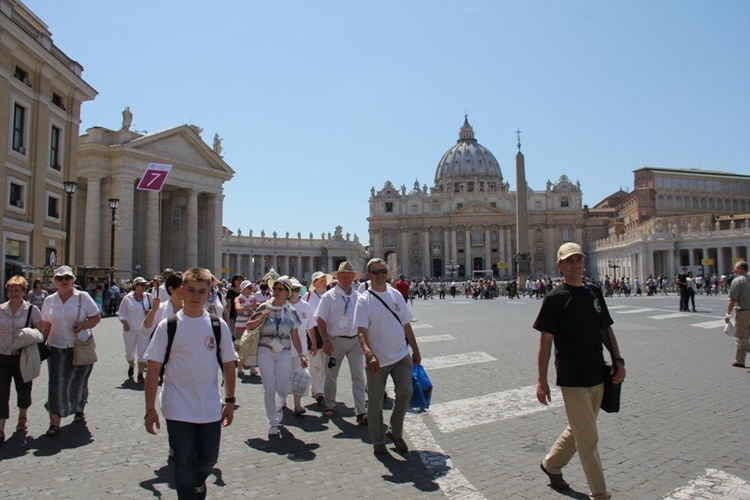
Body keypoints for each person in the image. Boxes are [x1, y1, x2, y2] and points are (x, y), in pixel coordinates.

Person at [534, 243, 626, 499]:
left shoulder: (594, 291)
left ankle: (551, 465)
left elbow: (605, 329)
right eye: (569, 260)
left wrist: (618, 360)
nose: (575, 263)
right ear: (560, 265)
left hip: (598, 373)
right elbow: (545, 342)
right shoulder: (555, 298)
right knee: (589, 440)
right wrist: (542, 381)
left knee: (580, 429)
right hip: (572, 377)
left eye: (578, 259)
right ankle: (600, 494)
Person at [144, 267, 236, 499]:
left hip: (209, 403)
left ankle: (198, 481)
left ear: (208, 294)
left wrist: (230, 401)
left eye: (202, 291)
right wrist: (149, 409)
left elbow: (228, 365)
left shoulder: (217, 326)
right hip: (176, 404)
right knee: (183, 459)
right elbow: (153, 369)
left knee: (208, 458)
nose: (196, 296)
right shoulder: (168, 326)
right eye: (191, 290)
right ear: (182, 292)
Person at [354, 258, 421, 455]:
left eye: (383, 271)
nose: (381, 275)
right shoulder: (363, 300)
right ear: (369, 275)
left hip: (401, 355)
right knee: (375, 403)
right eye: (376, 272)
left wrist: (415, 350)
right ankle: (378, 440)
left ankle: (395, 430)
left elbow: (406, 324)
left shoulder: (396, 294)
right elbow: (361, 332)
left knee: (406, 392)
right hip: (377, 360)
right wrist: (368, 354)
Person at [41, 265, 102, 437]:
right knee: (56, 384)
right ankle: (54, 422)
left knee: (78, 381)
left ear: (73, 280)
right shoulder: (49, 300)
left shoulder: (83, 297)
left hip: (80, 346)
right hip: (57, 346)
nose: (64, 281)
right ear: (55, 281)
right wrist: (42, 343)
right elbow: (47, 324)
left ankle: (79, 409)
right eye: (60, 278)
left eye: (67, 278)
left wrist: (83, 325)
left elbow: (96, 317)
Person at [245, 276, 306, 436]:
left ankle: (278, 410)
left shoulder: (291, 312)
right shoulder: (264, 306)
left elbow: (295, 336)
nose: (277, 291)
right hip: (265, 351)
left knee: (282, 388)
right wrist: (262, 316)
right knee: (269, 388)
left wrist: (301, 354)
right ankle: (273, 421)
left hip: (284, 352)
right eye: (275, 288)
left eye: (281, 289)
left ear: (287, 292)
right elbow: (249, 326)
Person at [314, 261, 367, 423]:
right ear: (338, 277)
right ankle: (329, 404)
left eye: (349, 276)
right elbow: (320, 319)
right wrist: (325, 340)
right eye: (343, 276)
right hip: (335, 340)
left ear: (353, 278)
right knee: (331, 374)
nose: (346, 279)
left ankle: (361, 410)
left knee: (358, 376)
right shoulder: (329, 296)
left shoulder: (358, 296)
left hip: (355, 340)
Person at [0, 276, 43, 442]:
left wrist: (28, 335)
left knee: (23, 389)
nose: (13, 293)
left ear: (24, 292)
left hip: (22, 357)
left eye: (17, 290)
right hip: (2, 356)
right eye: (11, 290)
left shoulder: (32, 310)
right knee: (1, 392)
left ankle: (22, 417)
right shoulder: (1, 309)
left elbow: (41, 333)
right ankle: (1, 429)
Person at [286, 277, 316, 414]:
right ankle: (281, 402)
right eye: (292, 290)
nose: (295, 292)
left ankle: (297, 405)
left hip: (301, 347)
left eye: (297, 290)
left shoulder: (306, 306)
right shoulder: (281, 305)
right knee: (283, 375)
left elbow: (310, 327)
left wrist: (314, 344)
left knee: (299, 375)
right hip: (283, 347)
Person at [303, 271, 332, 404]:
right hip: (312, 332)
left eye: (325, 280)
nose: (324, 282)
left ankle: (320, 388)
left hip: (327, 332)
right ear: (314, 283)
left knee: (325, 363)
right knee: (315, 364)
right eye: (321, 280)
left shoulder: (329, 296)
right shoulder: (307, 297)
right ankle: (317, 390)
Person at [118, 277, 154, 383]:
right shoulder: (127, 298)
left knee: (142, 352)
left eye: (145, 285)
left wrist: (151, 312)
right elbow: (121, 313)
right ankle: (131, 365)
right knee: (130, 353)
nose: (144, 287)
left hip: (144, 329)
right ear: (136, 286)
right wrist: (124, 322)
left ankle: (140, 374)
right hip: (130, 329)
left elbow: (155, 309)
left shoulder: (148, 297)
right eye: (142, 285)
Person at [725, 261, 750, 368]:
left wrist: (728, 313)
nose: (733, 270)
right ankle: (739, 361)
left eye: (735, 268)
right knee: (745, 336)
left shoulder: (738, 281)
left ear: (740, 269)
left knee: (739, 337)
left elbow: (732, 300)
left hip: (743, 311)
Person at [234, 280, 258, 376]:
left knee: (252, 345)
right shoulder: (238, 298)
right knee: (240, 346)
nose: (251, 290)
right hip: (240, 324)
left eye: (251, 287)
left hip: (251, 323)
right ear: (243, 289)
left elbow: (255, 310)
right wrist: (249, 306)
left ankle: (252, 368)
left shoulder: (253, 298)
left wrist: (253, 309)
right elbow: (238, 309)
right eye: (249, 288)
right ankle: (240, 367)